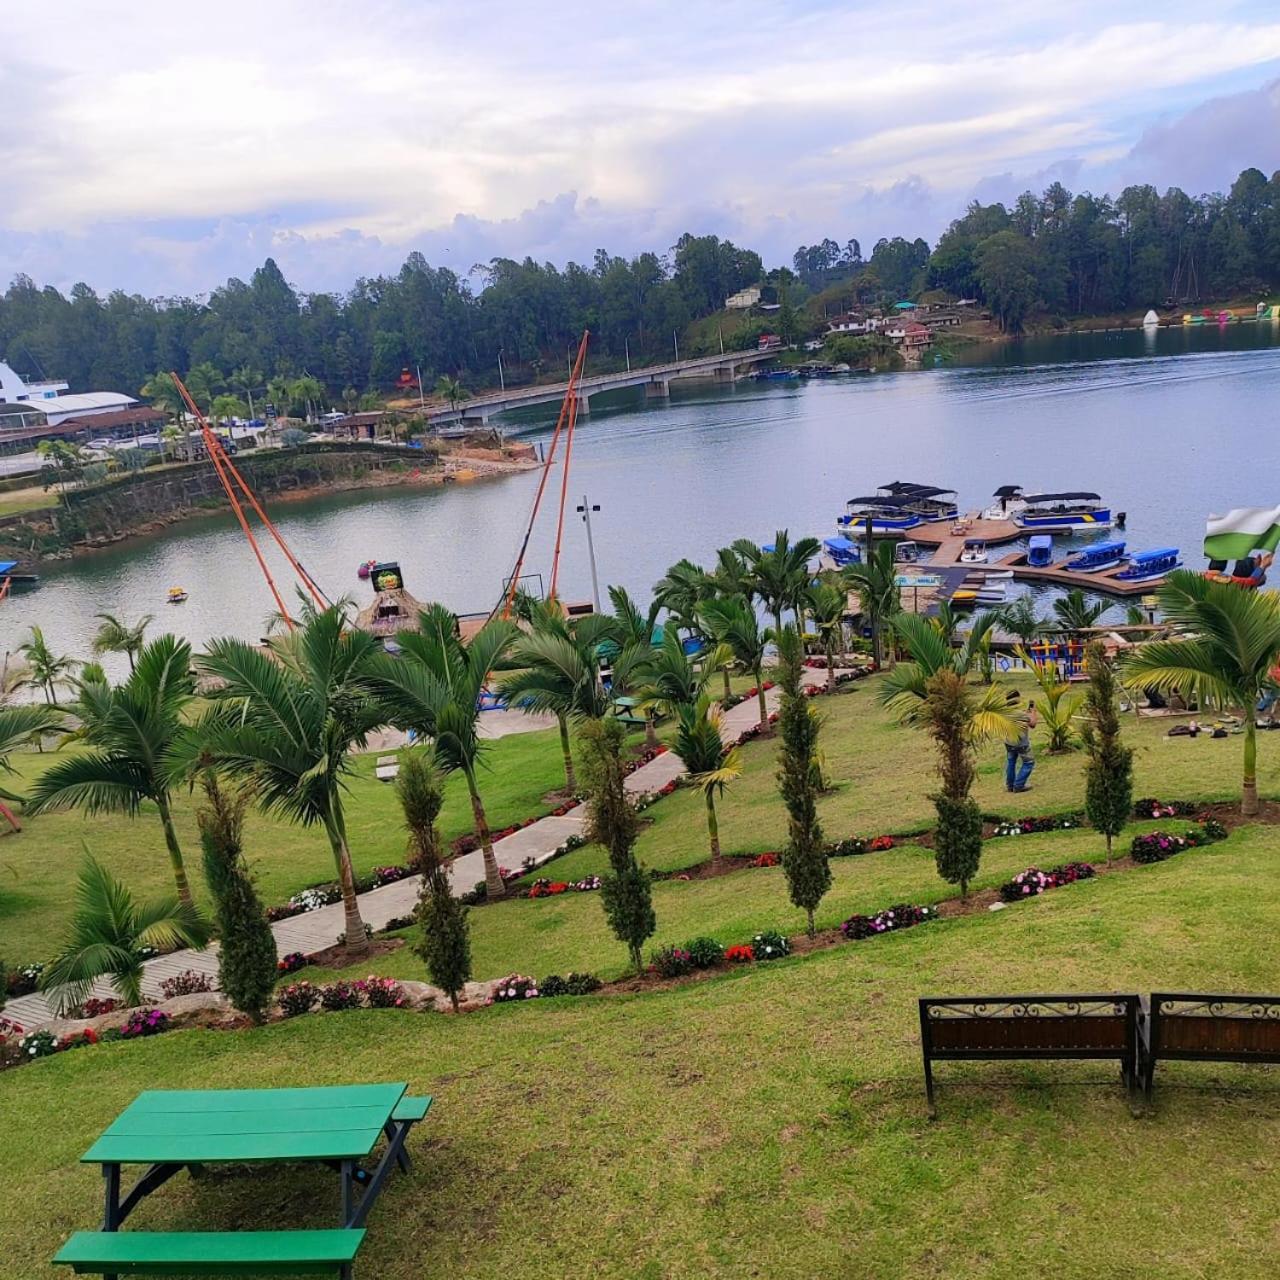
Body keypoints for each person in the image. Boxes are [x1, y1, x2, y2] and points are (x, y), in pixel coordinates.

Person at [1005, 701, 1037, 793]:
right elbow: (1033, 724)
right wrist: (1033, 712)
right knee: (1029, 762)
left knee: (1011, 762)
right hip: (1021, 744)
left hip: (1009, 742)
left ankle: (1010, 786)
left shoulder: (1005, 713)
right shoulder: (1021, 714)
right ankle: (1018, 785)